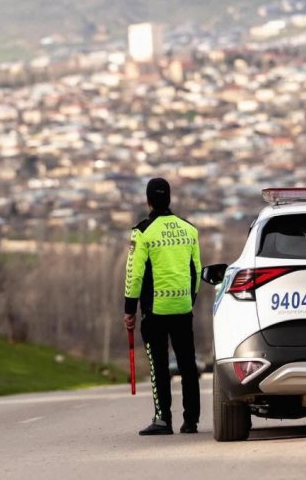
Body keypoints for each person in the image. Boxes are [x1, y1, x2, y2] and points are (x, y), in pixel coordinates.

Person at [123, 178, 202, 435]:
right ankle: (191, 421)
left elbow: (134, 274)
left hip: (154, 310)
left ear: (148, 201)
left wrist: (129, 310)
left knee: (158, 365)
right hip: (182, 305)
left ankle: (162, 419)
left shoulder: (143, 231)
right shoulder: (189, 229)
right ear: (169, 199)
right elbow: (197, 270)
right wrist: (191, 298)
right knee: (188, 364)